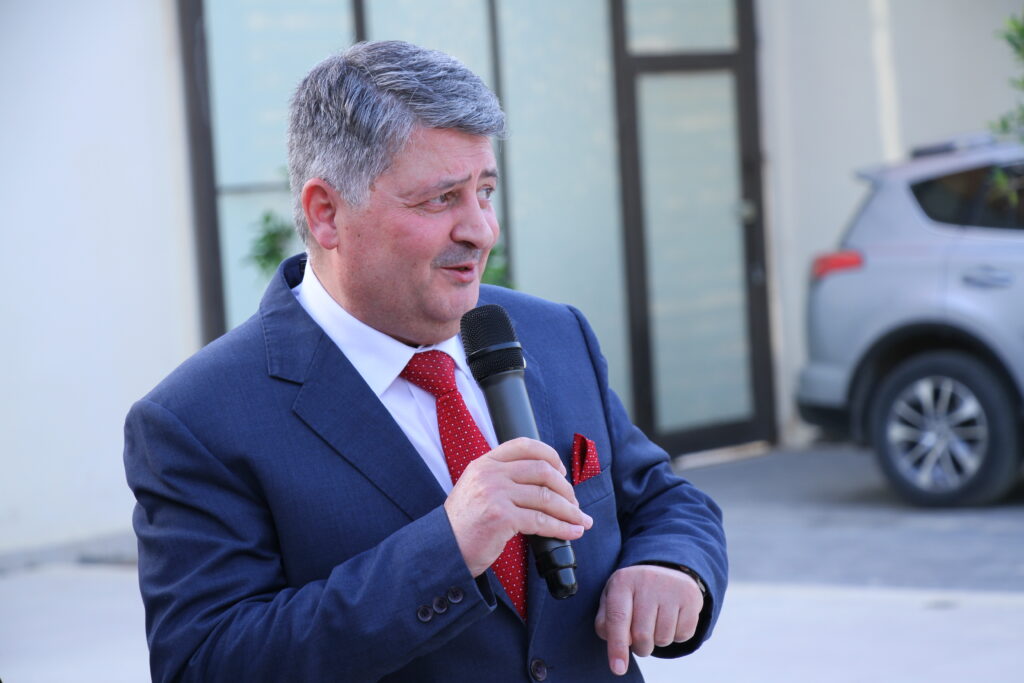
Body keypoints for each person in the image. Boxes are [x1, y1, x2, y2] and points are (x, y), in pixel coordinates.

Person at [124, 40, 726, 682]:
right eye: (441, 199)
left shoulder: (555, 333)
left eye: (485, 191)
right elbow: (206, 664)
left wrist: (673, 565)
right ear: (326, 214)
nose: (481, 230)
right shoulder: (197, 420)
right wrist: (447, 547)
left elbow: (662, 498)